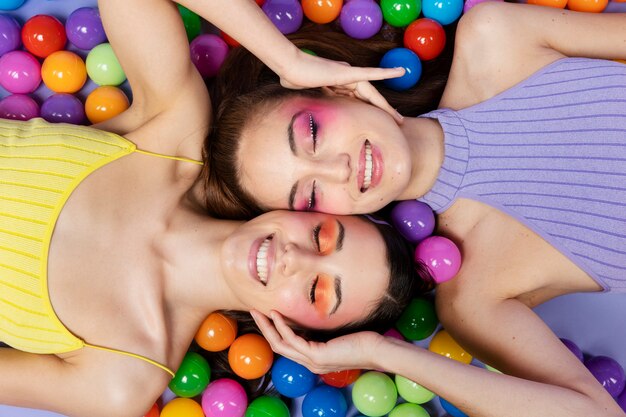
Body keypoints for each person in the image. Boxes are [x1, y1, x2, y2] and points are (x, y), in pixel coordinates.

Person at [0, 1, 426, 416]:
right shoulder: (175, 135)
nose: (295, 259)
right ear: (302, 209)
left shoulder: (122, 377)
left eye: (317, 291)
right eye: (320, 236)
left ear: (295, 334)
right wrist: (287, 59)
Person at [206, 2, 626, 416]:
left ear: (336, 86)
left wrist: (285, 58)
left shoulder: (495, 35)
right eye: (310, 196)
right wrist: (381, 353)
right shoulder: (473, 298)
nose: (339, 168)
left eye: (313, 133)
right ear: (324, 220)